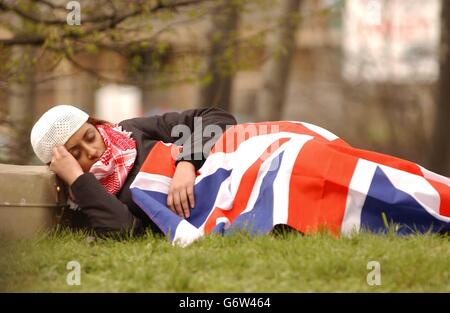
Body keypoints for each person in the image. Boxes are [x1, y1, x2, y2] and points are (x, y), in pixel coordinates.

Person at [30, 105, 237, 236]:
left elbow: (215, 117)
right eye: (75, 154)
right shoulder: (83, 198)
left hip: (233, 170)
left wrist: (187, 163)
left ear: (95, 124)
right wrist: (78, 179)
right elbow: (123, 228)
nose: (92, 151)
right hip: (224, 208)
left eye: (91, 136)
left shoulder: (131, 131)